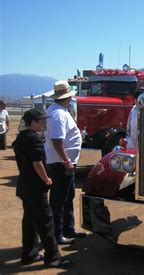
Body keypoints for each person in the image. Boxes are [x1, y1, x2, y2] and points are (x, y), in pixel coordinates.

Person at [13, 109, 71, 268]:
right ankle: (53, 257)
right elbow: (37, 163)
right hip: (36, 187)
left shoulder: (21, 138)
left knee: (30, 221)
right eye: (41, 121)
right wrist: (46, 179)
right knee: (46, 222)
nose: (43, 123)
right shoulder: (34, 140)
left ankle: (29, 254)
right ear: (32, 122)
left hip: (25, 186)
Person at [44, 80, 86, 245]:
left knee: (68, 196)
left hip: (63, 162)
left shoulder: (57, 111)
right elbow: (56, 140)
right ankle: (57, 233)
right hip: (61, 163)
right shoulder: (59, 114)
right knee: (59, 199)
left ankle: (68, 229)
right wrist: (67, 161)